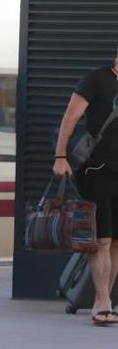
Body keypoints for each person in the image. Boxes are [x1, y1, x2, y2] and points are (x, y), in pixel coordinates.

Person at [53, 52, 118, 326]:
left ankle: (106, 300)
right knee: (102, 239)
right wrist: (60, 156)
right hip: (96, 170)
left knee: (116, 241)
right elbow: (71, 117)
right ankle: (101, 301)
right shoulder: (97, 79)